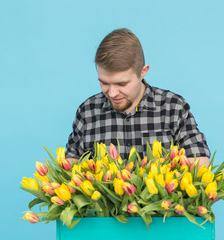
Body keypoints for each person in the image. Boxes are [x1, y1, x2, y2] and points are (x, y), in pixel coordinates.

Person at [65, 28, 210, 167]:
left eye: (122, 83)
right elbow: (70, 166)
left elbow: (198, 162)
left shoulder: (174, 107)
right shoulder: (87, 111)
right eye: (104, 83)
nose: (112, 93)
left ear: (143, 71)